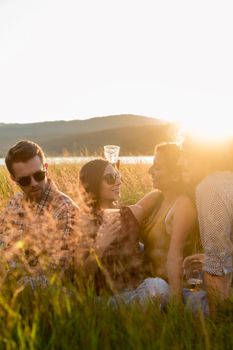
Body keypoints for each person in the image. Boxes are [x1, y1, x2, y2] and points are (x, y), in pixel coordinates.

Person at [77, 158, 169, 305]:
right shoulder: (83, 222)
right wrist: (100, 246)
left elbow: (156, 195)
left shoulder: (130, 215)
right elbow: (80, 275)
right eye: (111, 178)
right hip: (101, 299)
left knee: (159, 287)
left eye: (118, 176)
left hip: (133, 294)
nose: (118, 182)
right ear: (93, 184)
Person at [0, 140, 79, 284]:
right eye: (24, 180)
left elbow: (56, 274)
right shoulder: (14, 202)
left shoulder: (65, 210)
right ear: (14, 179)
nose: (34, 183)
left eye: (38, 175)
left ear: (46, 168)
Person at [180, 136, 233, 313]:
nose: (180, 162)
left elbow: (217, 265)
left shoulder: (211, 186)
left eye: (185, 155)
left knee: (184, 298)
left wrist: (215, 324)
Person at [140, 142, 198, 299]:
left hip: (167, 289)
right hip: (147, 285)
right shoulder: (155, 198)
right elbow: (123, 221)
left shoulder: (183, 205)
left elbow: (176, 256)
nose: (150, 171)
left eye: (157, 167)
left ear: (175, 174)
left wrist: (175, 306)